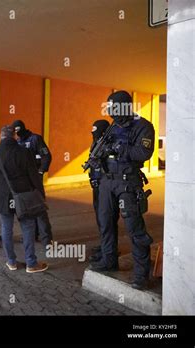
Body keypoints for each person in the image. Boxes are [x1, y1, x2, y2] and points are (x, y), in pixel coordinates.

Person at [91, 90, 155, 290]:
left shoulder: (143, 126)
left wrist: (120, 149)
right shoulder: (112, 126)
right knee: (106, 223)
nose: (111, 112)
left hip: (128, 183)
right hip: (107, 182)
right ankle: (109, 260)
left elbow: (144, 152)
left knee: (135, 229)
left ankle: (141, 274)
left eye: (114, 108)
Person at [0, 125, 48, 273]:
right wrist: (40, 194)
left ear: (1, 136)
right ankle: (31, 264)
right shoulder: (24, 152)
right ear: (14, 136)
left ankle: (11, 262)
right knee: (28, 228)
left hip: (3, 198)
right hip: (24, 197)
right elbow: (33, 176)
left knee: (6, 229)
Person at [11, 120, 53, 246]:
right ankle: (32, 235)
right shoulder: (17, 143)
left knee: (40, 208)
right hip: (24, 180)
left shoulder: (35, 139)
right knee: (28, 209)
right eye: (15, 132)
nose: (18, 133)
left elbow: (46, 156)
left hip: (35, 178)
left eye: (19, 130)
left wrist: (41, 172)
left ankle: (46, 239)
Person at [88, 119, 112, 262]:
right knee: (100, 218)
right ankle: (104, 245)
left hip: (105, 186)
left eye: (95, 129)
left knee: (106, 219)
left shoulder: (108, 145)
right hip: (96, 185)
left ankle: (108, 250)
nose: (93, 132)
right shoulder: (96, 143)